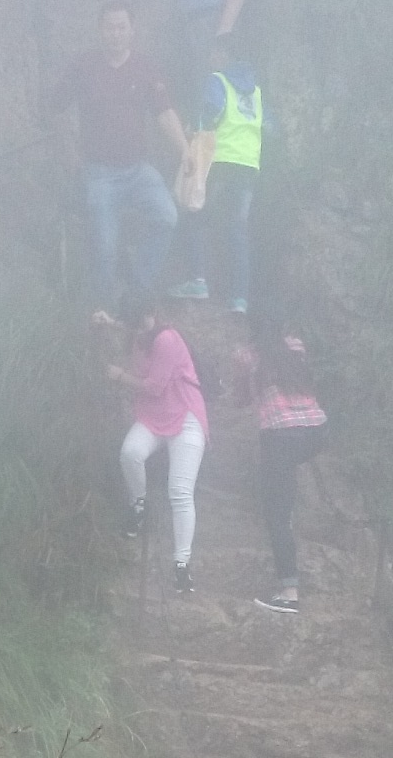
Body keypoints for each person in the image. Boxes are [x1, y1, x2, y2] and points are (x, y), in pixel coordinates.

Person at [51, 3, 195, 309]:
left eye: (121, 27)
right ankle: (107, 313)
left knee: (167, 216)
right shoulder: (84, 66)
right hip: (99, 173)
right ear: (99, 31)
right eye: (109, 27)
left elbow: (164, 112)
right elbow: (56, 106)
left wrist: (184, 150)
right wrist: (66, 152)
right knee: (104, 247)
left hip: (139, 170)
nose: (115, 34)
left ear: (132, 30)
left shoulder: (145, 68)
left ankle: (136, 287)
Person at [230, 294, 329, 614]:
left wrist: (240, 372)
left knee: (276, 514)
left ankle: (289, 592)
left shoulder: (247, 356)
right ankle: (288, 492)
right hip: (316, 432)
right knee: (281, 476)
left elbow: (242, 399)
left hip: (282, 437)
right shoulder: (296, 346)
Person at [97, 307, 207, 588]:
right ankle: (139, 505)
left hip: (185, 416)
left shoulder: (167, 338)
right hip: (154, 416)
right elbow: (129, 325)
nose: (142, 327)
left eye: (144, 322)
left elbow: (155, 387)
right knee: (130, 452)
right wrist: (108, 320)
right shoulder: (139, 331)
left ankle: (182, 564)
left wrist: (118, 375)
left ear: (151, 315)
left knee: (180, 492)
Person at [179, 54, 263, 314]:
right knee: (238, 229)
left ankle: (198, 280)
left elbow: (212, 110)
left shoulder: (218, 80)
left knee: (197, 212)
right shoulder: (256, 90)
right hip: (249, 165)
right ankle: (240, 299)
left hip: (222, 160)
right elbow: (269, 124)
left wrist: (194, 130)